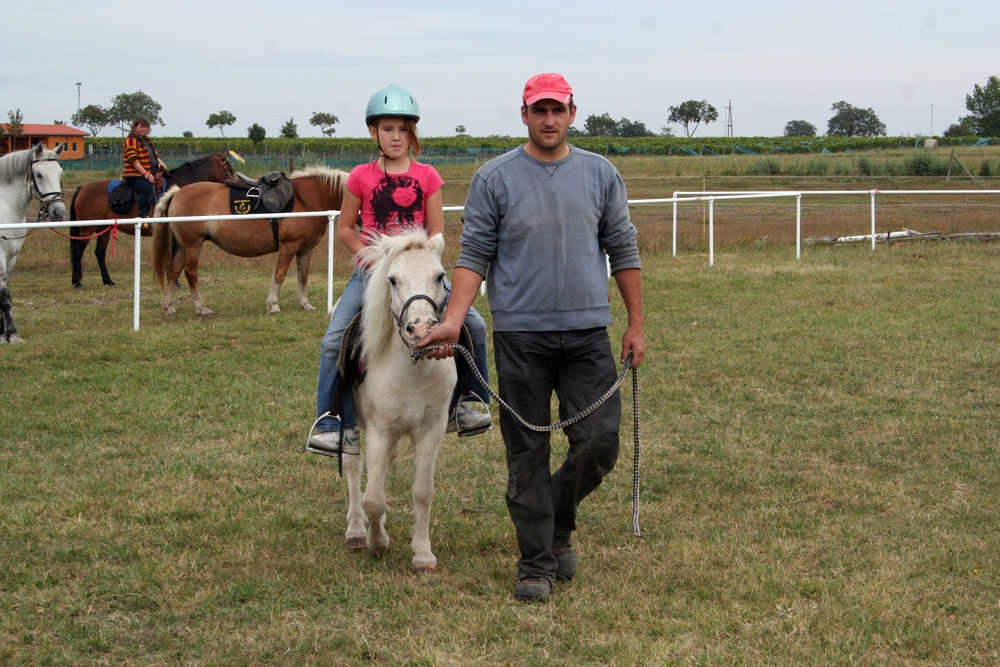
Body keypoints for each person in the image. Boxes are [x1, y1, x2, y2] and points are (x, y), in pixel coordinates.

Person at [418, 72, 645, 602]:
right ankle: (536, 563)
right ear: (524, 115)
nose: (549, 119)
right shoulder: (495, 178)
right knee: (527, 451)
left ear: (572, 114)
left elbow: (623, 250)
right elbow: (474, 254)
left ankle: (558, 523)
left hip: (588, 334)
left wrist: (635, 324)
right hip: (521, 338)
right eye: (538, 110)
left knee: (599, 444)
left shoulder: (600, 173)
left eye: (557, 110)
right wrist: (453, 318)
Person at [307, 84, 493, 458]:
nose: (396, 137)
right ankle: (332, 422)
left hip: (420, 274)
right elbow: (345, 228)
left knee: (474, 325)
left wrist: (423, 263)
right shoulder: (359, 177)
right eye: (388, 129)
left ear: (413, 133)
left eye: (403, 129)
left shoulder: (428, 176)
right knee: (334, 340)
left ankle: (468, 402)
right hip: (373, 275)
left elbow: (436, 232)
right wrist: (376, 260)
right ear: (373, 132)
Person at [122, 117, 167, 219]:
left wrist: (160, 162)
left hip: (151, 172)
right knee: (148, 189)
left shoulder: (146, 140)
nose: (144, 129)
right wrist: (146, 174)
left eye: (146, 127)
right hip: (135, 175)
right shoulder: (131, 141)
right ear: (135, 127)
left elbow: (153, 154)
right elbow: (133, 160)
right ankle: (143, 215)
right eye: (142, 127)